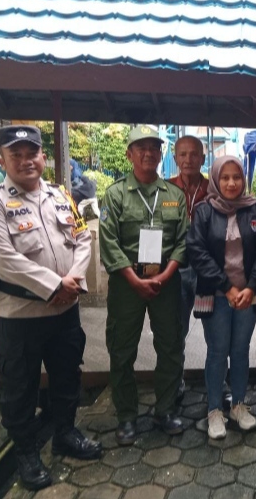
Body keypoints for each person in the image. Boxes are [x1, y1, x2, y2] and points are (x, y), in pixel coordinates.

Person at [0, 125, 101, 491]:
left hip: (64, 313)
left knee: (67, 376)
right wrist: (54, 287)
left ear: (43, 156)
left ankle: (65, 433)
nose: (26, 161)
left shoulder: (61, 195)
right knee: (19, 389)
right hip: (19, 318)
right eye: (17, 155)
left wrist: (72, 281)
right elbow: (5, 260)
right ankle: (26, 453)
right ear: (3, 160)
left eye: (33, 153)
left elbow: (82, 238)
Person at [99, 125, 188, 445]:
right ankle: (126, 416)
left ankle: (164, 410)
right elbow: (108, 242)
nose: (148, 153)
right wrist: (133, 278)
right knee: (122, 350)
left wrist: (165, 275)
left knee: (170, 346)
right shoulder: (116, 193)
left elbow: (182, 241)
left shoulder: (173, 195)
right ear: (130, 154)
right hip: (126, 284)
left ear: (161, 154)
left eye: (154, 147)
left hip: (166, 281)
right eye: (141, 148)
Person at [186, 155, 256, 439]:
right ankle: (214, 410)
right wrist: (228, 287)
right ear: (215, 179)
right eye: (225, 177)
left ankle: (238, 405)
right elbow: (197, 253)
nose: (232, 183)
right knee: (217, 351)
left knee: (240, 350)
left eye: (237, 177)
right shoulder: (203, 211)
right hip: (216, 294)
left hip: (247, 296)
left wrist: (250, 287)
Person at [168, 136, 208, 400]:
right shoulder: (166, 189)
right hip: (177, 270)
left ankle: (218, 383)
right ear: (175, 159)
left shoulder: (214, 187)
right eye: (182, 154)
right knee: (174, 330)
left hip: (207, 273)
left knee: (215, 330)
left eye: (194, 155)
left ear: (203, 159)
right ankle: (175, 382)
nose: (188, 160)